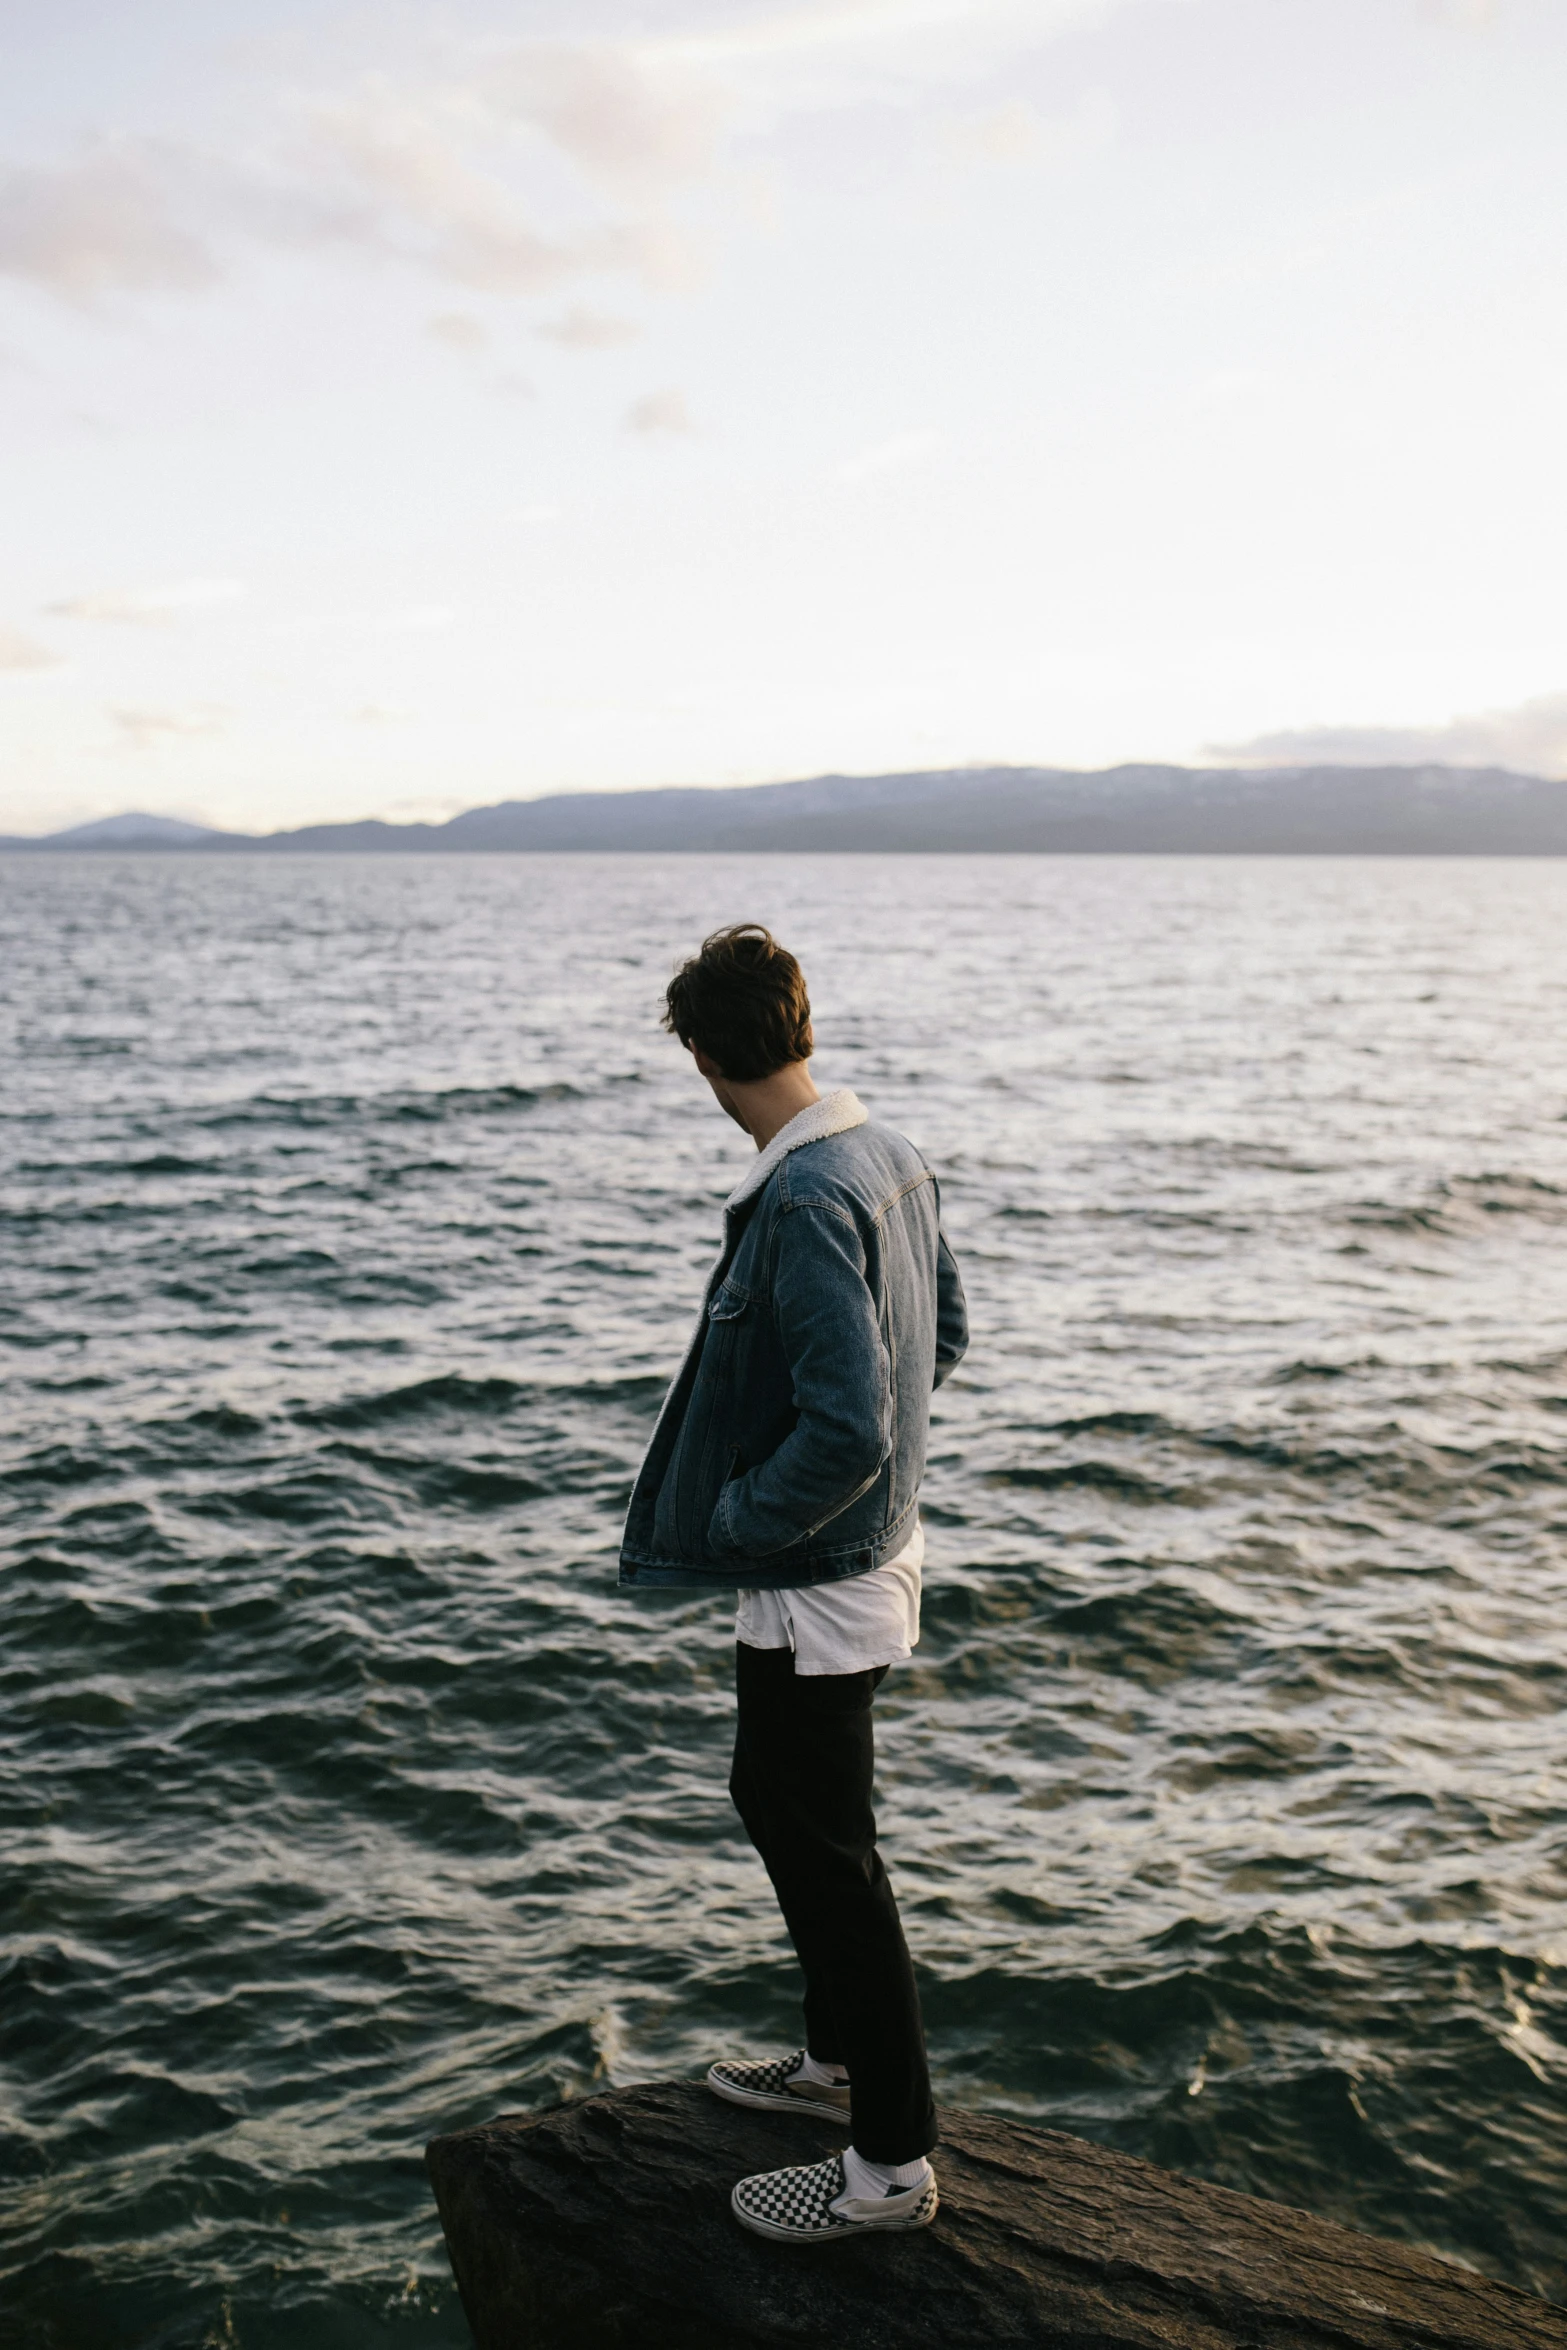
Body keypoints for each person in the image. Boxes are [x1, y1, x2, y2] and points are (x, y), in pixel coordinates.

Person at [620, 923, 969, 2245]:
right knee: (779, 1800)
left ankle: (887, 2166)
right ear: (799, 1023)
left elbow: (850, 1425)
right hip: (862, 1557)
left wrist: (736, 1515)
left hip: (820, 1577)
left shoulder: (809, 1196)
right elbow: (946, 1340)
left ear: (705, 1056)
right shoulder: (885, 1156)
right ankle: (829, 2063)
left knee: (829, 1860)